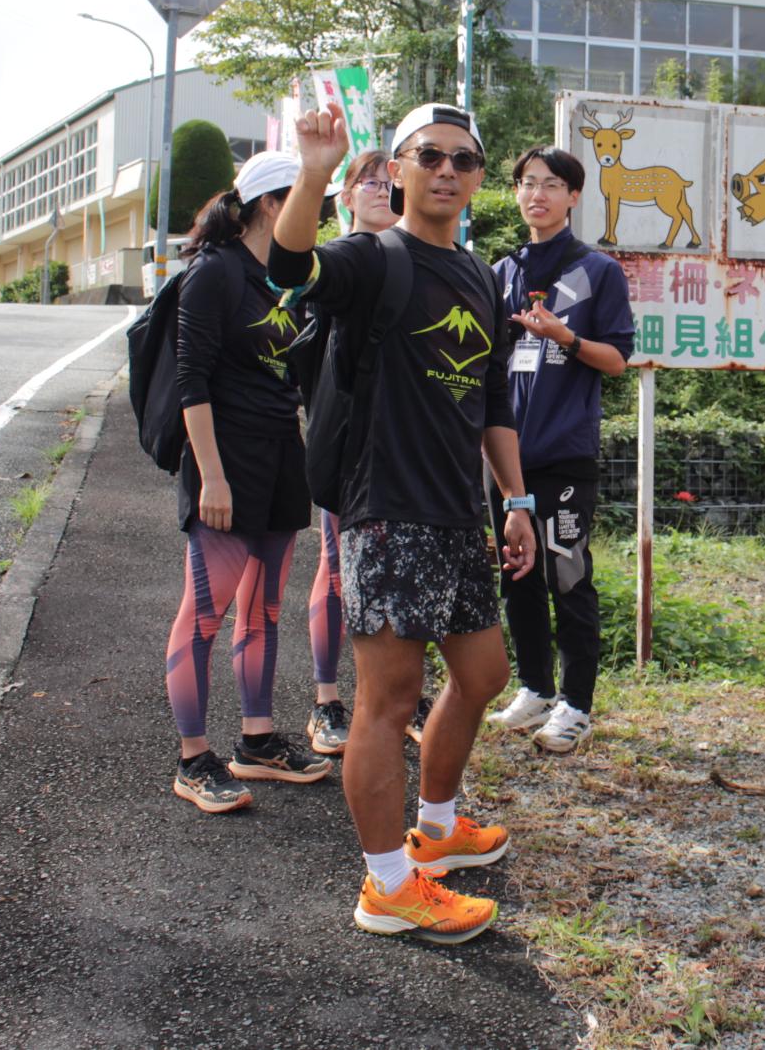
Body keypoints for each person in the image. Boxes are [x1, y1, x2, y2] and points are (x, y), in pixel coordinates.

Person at [271, 100, 536, 945]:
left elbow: (492, 396)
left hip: (460, 511)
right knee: (385, 702)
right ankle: (389, 882)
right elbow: (287, 265)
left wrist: (517, 499)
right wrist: (315, 172)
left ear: (479, 176)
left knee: (486, 672)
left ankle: (440, 824)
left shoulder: (481, 278)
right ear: (398, 167)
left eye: (464, 157)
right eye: (430, 155)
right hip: (386, 508)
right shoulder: (369, 258)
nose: (448, 169)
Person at [165, 151, 336, 812]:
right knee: (204, 613)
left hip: (280, 456)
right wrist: (210, 474)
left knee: (263, 608)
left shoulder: (290, 279)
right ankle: (193, 758)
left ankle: (256, 741)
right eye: (309, 203)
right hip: (226, 460)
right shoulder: (214, 274)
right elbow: (191, 379)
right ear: (273, 205)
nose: (318, 218)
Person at [486, 146, 635, 754]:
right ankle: (534, 689)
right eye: (526, 183)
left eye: (551, 184)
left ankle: (576, 705)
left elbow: (618, 360)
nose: (536, 195)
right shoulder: (502, 273)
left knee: (567, 576)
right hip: (506, 458)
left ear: (574, 197)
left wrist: (566, 336)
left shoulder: (597, 271)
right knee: (517, 574)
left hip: (563, 453)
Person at [303, 147, 394, 758]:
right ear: (346, 196)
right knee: (338, 570)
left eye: (391, 182)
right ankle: (327, 701)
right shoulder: (338, 263)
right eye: (369, 182)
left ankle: (388, 698)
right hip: (348, 448)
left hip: (405, 446)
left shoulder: (417, 259)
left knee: (393, 577)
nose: (383, 190)